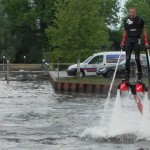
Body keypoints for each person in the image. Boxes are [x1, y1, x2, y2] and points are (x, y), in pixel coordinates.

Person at [120, 7, 149, 82]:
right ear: (129, 12)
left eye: (133, 12)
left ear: (135, 12)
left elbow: (144, 30)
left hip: (137, 39)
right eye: (131, 12)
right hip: (129, 39)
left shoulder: (140, 20)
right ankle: (127, 74)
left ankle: (139, 74)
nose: (132, 13)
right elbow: (125, 31)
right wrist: (123, 41)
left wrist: (146, 41)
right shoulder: (126, 20)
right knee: (127, 58)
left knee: (137, 58)